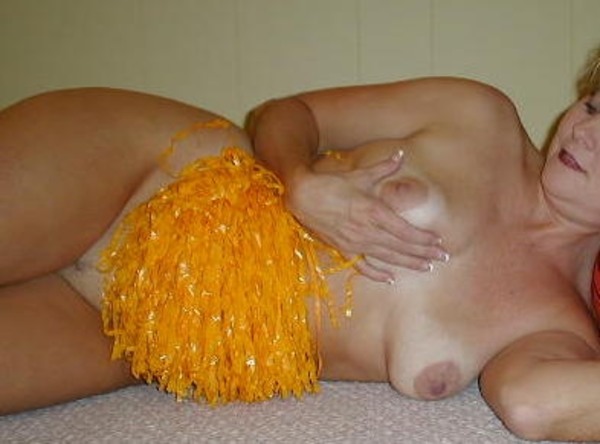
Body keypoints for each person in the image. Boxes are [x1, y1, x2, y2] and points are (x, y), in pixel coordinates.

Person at [0, 57, 598, 441]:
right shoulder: (479, 116)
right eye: (594, 106)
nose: (587, 131)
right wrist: (300, 182)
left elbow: (534, 406)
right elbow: (290, 112)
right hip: (146, 173)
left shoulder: (558, 326)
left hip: (140, 336)